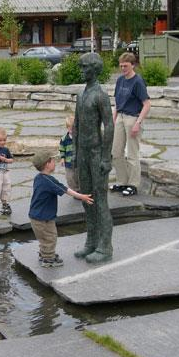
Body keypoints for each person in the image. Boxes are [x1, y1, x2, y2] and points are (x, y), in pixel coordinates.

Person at [73, 52, 115, 263]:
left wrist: (106, 157)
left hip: (97, 153)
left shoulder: (101, 94)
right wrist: (74, 151)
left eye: (85, 68)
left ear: (95, 69)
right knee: (86, 199)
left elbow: (109, 125)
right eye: (81, 67)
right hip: (83, 153)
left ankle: (105, 247)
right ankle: (91, 241)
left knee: (100, 201)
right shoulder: (81, 95)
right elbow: (76, 125)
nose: (81, 71)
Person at [29, 150, 93, 268]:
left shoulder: (39, 178)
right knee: (50, 237)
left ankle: (44, 254)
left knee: (44, 238)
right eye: (53, 160)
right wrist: (82, 196)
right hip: (43, 218)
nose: (55, 162)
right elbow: (66, 190)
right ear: (47, 164)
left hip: (36, 216)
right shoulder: (49, 181)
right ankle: (48, 259)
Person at [111, 52, 151, 197]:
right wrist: (113, 119)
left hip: (133, 118)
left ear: (133, 65)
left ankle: (133, 185)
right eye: (121, 65)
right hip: (120, 117)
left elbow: (147, 104)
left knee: (132, 154)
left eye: (126, 66)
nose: (123, 68)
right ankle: (122, 182)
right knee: (116, 152)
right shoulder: (120, 80)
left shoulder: (138, 81)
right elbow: (117, 101)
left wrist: (138, 123)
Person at [59, 115, 79, 192]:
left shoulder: (79, 137)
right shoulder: (64, 139)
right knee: (70, 177)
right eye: (71, 129)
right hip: (68, 163)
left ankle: (80, 189)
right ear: (67, 128)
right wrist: (62, 158)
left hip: (78, 162)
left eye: (75, 129)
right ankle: (74, 190)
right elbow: (62, 149)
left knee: (78, 176)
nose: (73, 131)